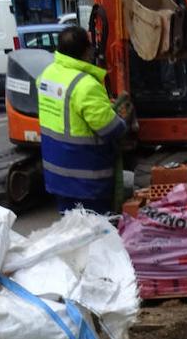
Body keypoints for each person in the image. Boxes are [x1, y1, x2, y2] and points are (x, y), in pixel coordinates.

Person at [36, 25, 133, 214]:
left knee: (72, 230)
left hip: (57, 173)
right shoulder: (86, 85)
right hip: (86, 178)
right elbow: (109, 128)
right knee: (96, 233)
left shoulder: (47, 75)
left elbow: (66, 107)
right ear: (86, 51)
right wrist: (124, 120)